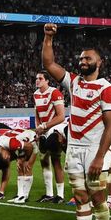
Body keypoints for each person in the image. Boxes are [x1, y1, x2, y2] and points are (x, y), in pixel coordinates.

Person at [42, 23, 111, 220]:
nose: (83, 61)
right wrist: (47, 38)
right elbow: (49, 64)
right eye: (81, 58)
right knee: (79, 196)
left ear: (99, 62)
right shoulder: (74, 82)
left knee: (97, 196)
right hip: (74, 148)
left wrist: (99, 157)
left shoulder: (107, 89)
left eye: (88, 58)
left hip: (95, 149)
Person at [32, 70, 67, 203]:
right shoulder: (35, 94)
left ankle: (60, 195)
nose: (37, 80)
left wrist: (45, 126)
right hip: (43, 130)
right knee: (44, 161)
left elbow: (61, 116)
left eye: (40, 78)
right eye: (36, 78)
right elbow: (37, 114)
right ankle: (49, 193)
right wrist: (38, 129)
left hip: (54, 129)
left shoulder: (54, 93)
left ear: (47, 81)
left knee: (56, 160)